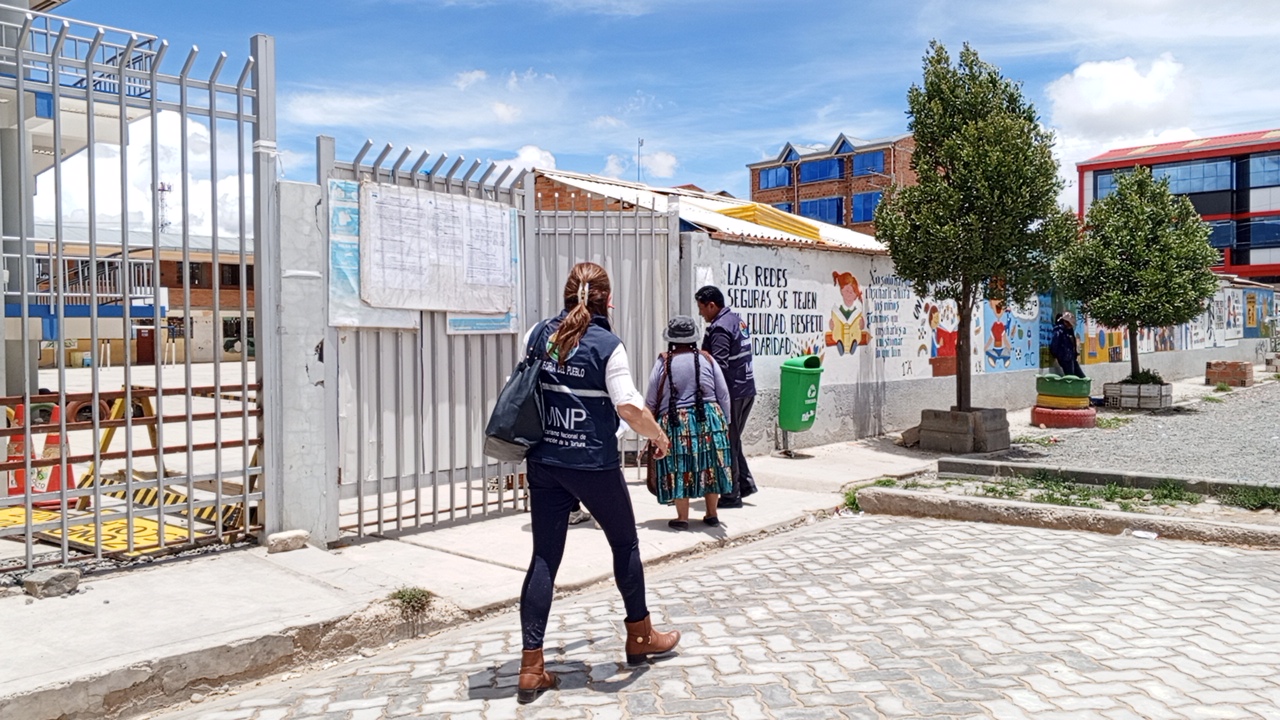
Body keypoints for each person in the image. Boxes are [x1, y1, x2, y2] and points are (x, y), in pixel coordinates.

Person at [516, 262, 680, 705]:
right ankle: (640, 637)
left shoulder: (537, 334)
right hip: (592, 463)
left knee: (545, 558)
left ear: (567, 295)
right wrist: (659, 436)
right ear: (608, 300)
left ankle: (532, 666)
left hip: (545, 460)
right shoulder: (609, 345)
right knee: (624, 545)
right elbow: (628, 406)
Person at [644, 316, 733, 531]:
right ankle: (712, 514)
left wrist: (650, 431)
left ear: (671, 340)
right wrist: (726, 424)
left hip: (675, 422)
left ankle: (682, 517)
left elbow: (650, 401)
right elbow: (723, 394)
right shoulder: (707, 360)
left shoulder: (663, 362)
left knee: (679, 466)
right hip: (710, 419)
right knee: (710, 464)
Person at [696, 286, 757, 508]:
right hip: (746, 390)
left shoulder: (720, 327)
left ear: (712, 305)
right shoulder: (735, 320)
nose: (701, 313)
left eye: (702, 308)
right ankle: (745, 485)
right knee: (733, 440)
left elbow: (718, 365)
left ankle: (732, 496)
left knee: (728, 442)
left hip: (732, 393)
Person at [1050, 311, 1085, 378]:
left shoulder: (1068, 331)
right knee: (1071, 377)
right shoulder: (1059, 330)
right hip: (1065, 358)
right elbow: (1054, 345)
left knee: (1080, 376)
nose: (1070, 326)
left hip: (1071, 357)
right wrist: (1059, 355)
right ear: (1065, 322)